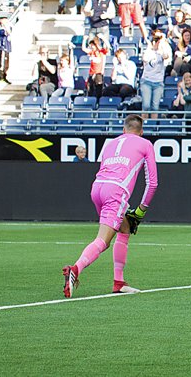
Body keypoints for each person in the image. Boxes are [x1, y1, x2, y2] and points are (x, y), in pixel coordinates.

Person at [62, 115, 159, 297]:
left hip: (97, 187)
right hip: (116, 191)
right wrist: (141, 210)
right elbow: (152, 183)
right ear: (141, 131)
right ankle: (75, 269)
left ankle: (119, 282)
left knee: (124, 227)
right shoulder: (145, 144)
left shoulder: (110, 144)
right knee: (103, 241)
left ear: (124, 130)